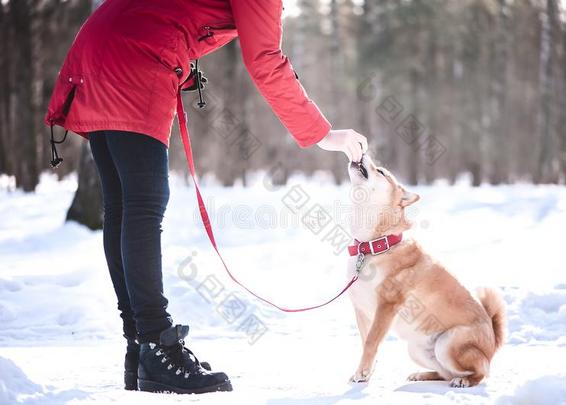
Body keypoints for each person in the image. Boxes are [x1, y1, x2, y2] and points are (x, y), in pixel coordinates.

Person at [45, 0, 368, 395]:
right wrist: (322, 134)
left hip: (97, 49)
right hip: (135, 56)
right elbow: (265, 58)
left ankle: (142, 347)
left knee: (124, 206)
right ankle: (155, 344)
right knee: (144, 206)